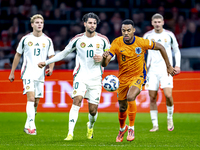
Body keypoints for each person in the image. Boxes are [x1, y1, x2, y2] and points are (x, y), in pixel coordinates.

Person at [38, 12, 113, 140]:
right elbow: (63, 53)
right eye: (89, 23)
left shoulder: (103, 39)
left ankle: (90, 126)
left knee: (93, 111)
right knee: (77, 100)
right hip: (80, 76)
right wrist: (46, 62)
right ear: (84, 24)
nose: (92, 25)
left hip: (96, 78)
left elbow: (112, 54)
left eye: (94, 23)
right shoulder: (77, 39)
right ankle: (70, 133)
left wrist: (104, 57)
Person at [101, 19, 175, 142]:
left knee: (131, 97)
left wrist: (168, 66)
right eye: (123, 30)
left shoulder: (141, 42)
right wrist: (104, 58)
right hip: (122, 79)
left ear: (133, 31)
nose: (126, 33)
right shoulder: (117, 43)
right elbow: (106, 63)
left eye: (128, 30)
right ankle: (121, 129)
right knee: (122, 107)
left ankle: (131, 128)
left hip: (138, 76)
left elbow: (161, 47)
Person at [8, 14, 55, 135]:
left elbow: (51, 56)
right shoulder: (25, 39)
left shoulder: (47, 40)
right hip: (28, 72)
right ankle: (32, 127)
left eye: (41, 22)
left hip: (40, 74)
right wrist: (12, 72)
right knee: (31, 98)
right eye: (37, 22)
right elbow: (18, 54)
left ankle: (27, 124)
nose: (39, 24)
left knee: (36, 102)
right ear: (32, 24)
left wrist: (50, 68)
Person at [143, 13, 181, 132]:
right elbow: (143, 53)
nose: (157, 24)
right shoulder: (148, 36)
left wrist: (177, 65)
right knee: (152, 97)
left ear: (163, 22)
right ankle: (155, 125)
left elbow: (176, 50)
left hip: (166, 70)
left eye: (159, 22)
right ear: (152, 23)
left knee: (168, 95)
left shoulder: (169, 35)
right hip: (152, 71)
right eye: (155, 22)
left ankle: (170, 118)